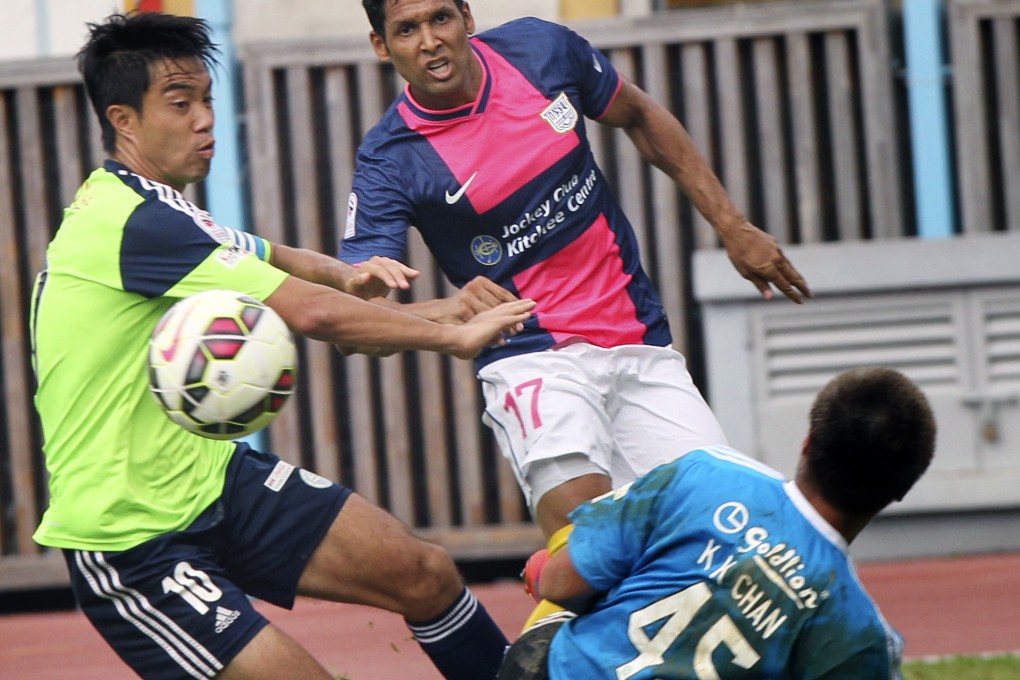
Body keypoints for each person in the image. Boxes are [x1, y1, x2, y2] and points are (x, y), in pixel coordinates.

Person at [30, 12, 536, 680]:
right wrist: (450, 334)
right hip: (133, 539)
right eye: (180, 106)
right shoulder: (131, 223)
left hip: (215, 483)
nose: (205, 119)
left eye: (207, 100)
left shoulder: (164, 208)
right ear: (124, 120)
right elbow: (314, 315)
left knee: (423, 573)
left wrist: (373, 281)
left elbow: (279, 259)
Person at [341, 0, 813, 546]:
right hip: (531, 360)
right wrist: (448, 312)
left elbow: (637, 113)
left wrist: (732, 225)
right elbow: (357, 329)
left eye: (440, 18)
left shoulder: (541, 51)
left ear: (468, 17)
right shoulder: (388, 159)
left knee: (722, 532)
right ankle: (560, 616)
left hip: (640, 344)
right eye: (406, 29)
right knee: (590, 538)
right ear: (382, 45)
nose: (429, 41)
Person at [498, 366, 937, 679]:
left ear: (808, 441)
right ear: (900, 490)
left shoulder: (705, 473)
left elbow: (559, 584)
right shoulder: (859, 633)